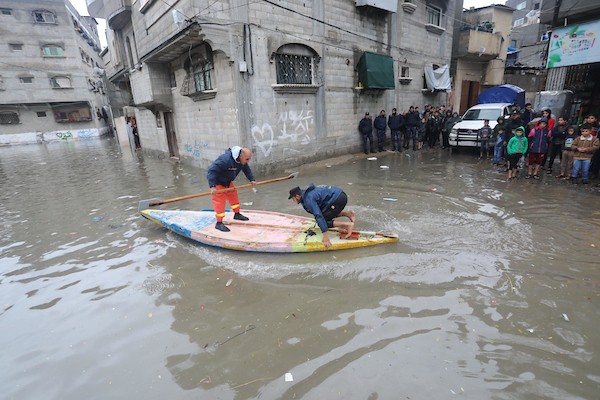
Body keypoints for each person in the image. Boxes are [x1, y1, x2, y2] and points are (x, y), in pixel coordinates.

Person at [207, 146, 257, 232]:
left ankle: (237, 214)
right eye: (247, 159)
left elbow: (246, 169)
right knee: (220, 202)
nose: (248, 161)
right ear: (241, 156)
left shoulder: (242, 161)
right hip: (218, 183)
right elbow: (211, 171)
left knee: (234, 197)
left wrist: (251, 179)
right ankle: (219, 223)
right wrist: (212, 186)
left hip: (228, 182)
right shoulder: (225, 160)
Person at [288, 185, 355, 248]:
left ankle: (347, 225)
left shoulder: (308, 199)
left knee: (322, 221)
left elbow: (318, 216)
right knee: (325, 216)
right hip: (339, 195)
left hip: (338, 199)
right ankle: (348, 214)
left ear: (297, 196)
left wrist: (325, 238)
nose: (293, 200)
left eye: (293, 198)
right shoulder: (306, 194)